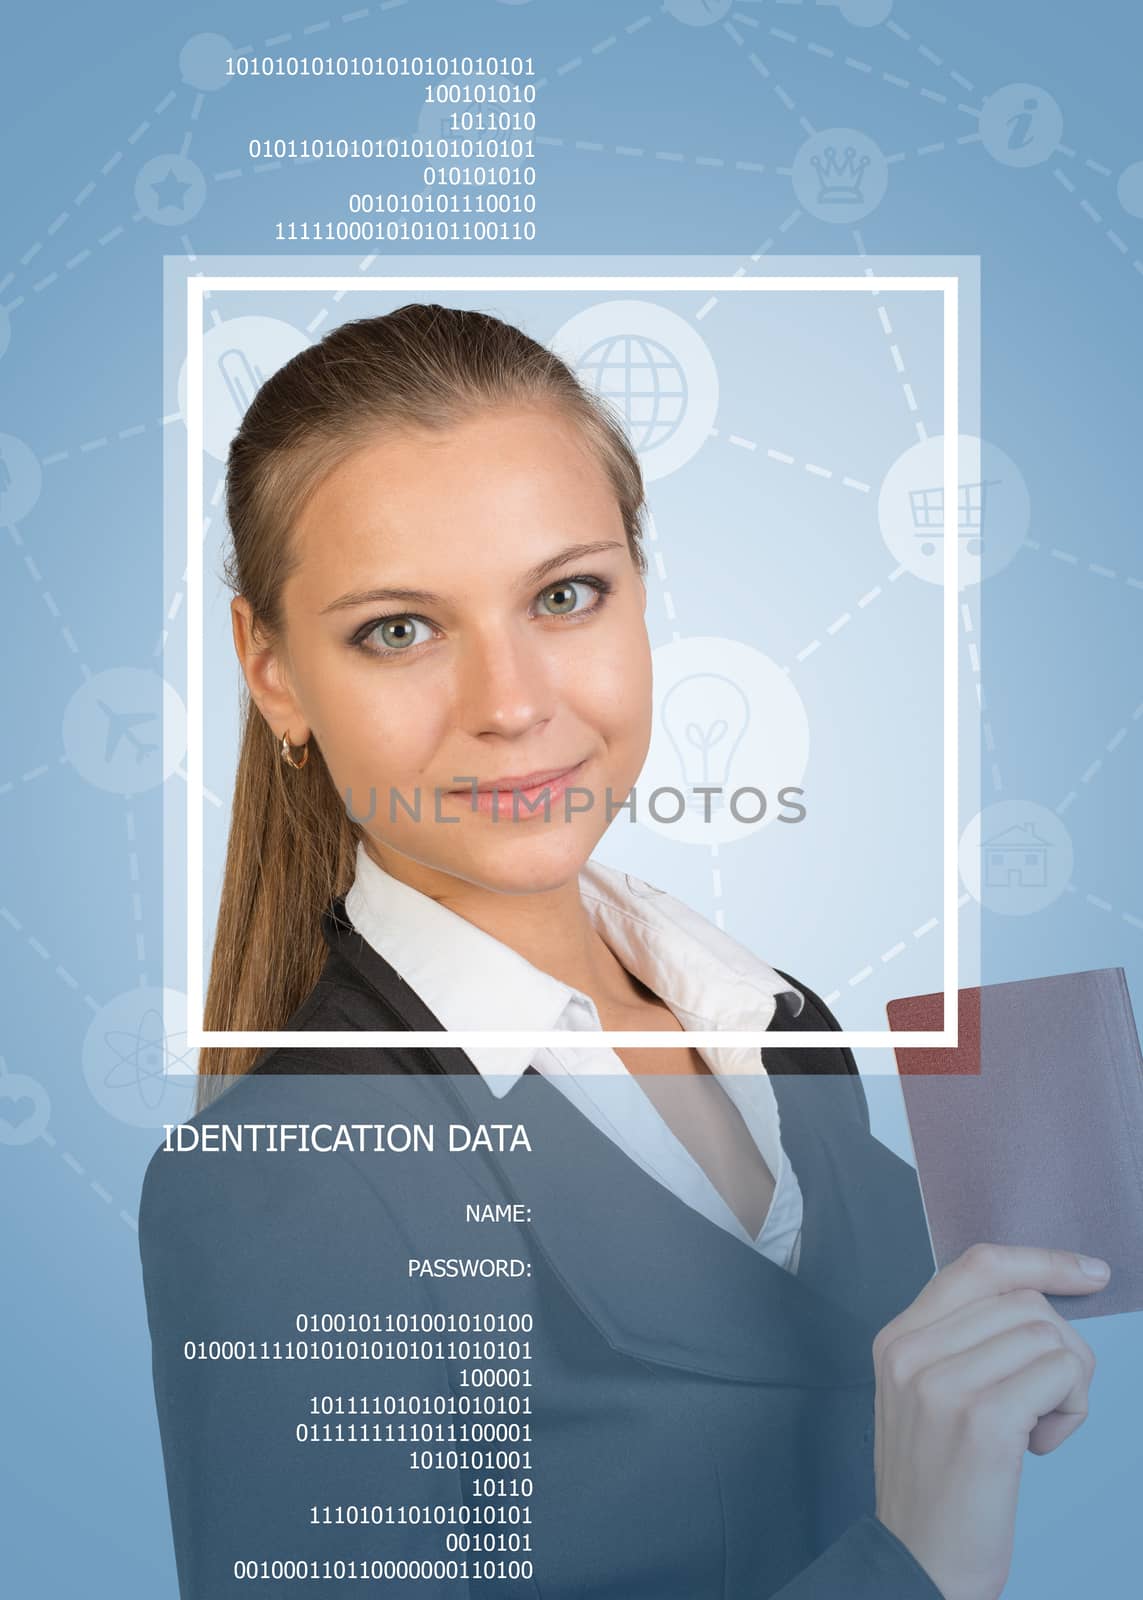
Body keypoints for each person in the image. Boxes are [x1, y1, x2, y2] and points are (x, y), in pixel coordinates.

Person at [139, 304, 1105, 1600]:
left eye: (565, 594)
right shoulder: (275, 1188)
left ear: (641, 590)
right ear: (274, 673)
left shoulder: (785, 1035)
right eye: (400, 629)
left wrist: (964, 1398)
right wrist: (915, 1564)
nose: (515, 703)